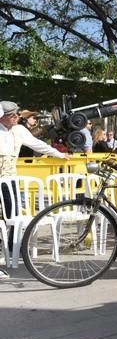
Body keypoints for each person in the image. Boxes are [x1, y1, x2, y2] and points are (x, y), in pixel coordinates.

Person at [1, 101, 69, 268]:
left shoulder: (19, 130)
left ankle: (12, 250)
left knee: (14, 215)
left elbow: (37, 144)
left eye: (16, 114)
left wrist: (59, 154)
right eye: (12, 115)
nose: (16, 117)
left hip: (9, 179)